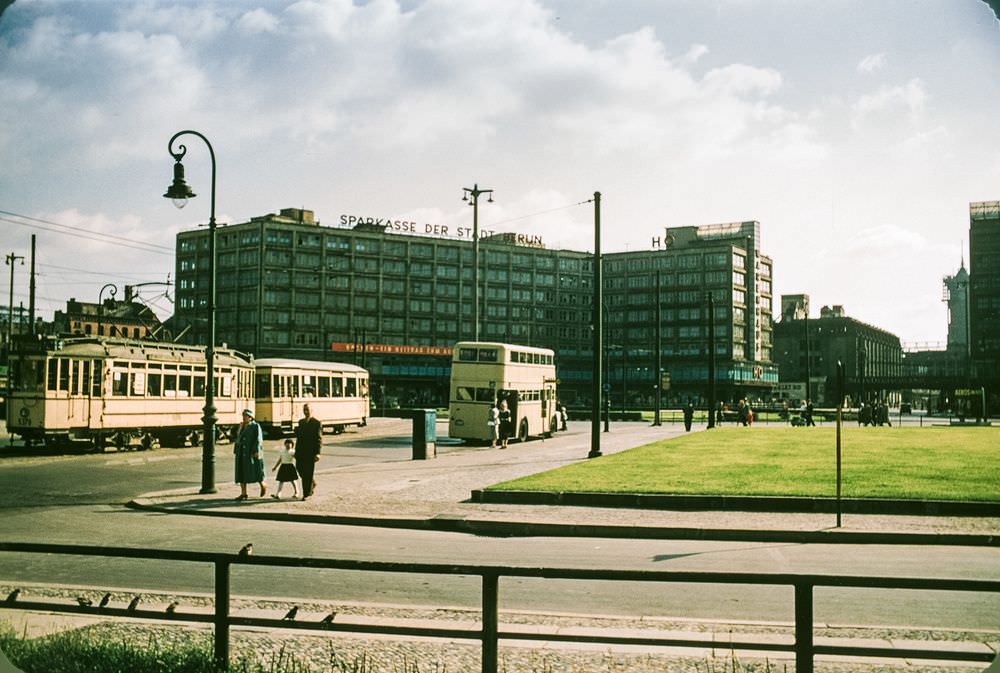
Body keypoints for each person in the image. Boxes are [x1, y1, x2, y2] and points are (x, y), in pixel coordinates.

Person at [234, 408, 266, 500]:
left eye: (246, 416)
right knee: (241, 472)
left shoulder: (255, 426)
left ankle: (263, 484)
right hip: (241, 452)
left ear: (250, 417)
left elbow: (258, 439)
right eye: (243, 415)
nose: (244, 417)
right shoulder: (242, 426)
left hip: (251, 452)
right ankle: (243, 493)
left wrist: (256, 451)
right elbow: (238, 437)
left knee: (256, 470)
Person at [294, 404, 322, 501]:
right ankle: (312, 483)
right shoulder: (301, 422)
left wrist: (318, 453)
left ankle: (306, 493)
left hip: (311, 452)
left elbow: (318, 439)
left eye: (307, 410)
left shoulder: (316, 423)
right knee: (299, 469)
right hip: (300, 452)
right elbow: (299, 438)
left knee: (308, 473)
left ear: (312, 410)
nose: (306, 412)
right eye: (304, 410)